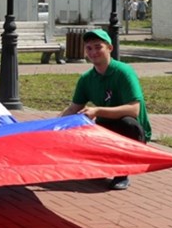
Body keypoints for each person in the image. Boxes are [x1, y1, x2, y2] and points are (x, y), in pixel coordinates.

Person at [60, 29, 153, 190]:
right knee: (77, 125)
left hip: (133, 130)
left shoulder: (123, 72)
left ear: (109, 48)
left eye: (98, 47)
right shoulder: (86, 79)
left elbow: (134, 110)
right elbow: (74, 108)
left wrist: (97, 111)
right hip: (105, 126)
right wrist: (52, 126)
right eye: (89, 48)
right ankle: (99, 165)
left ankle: (121, 173)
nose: (93, 52)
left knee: (127, 123)